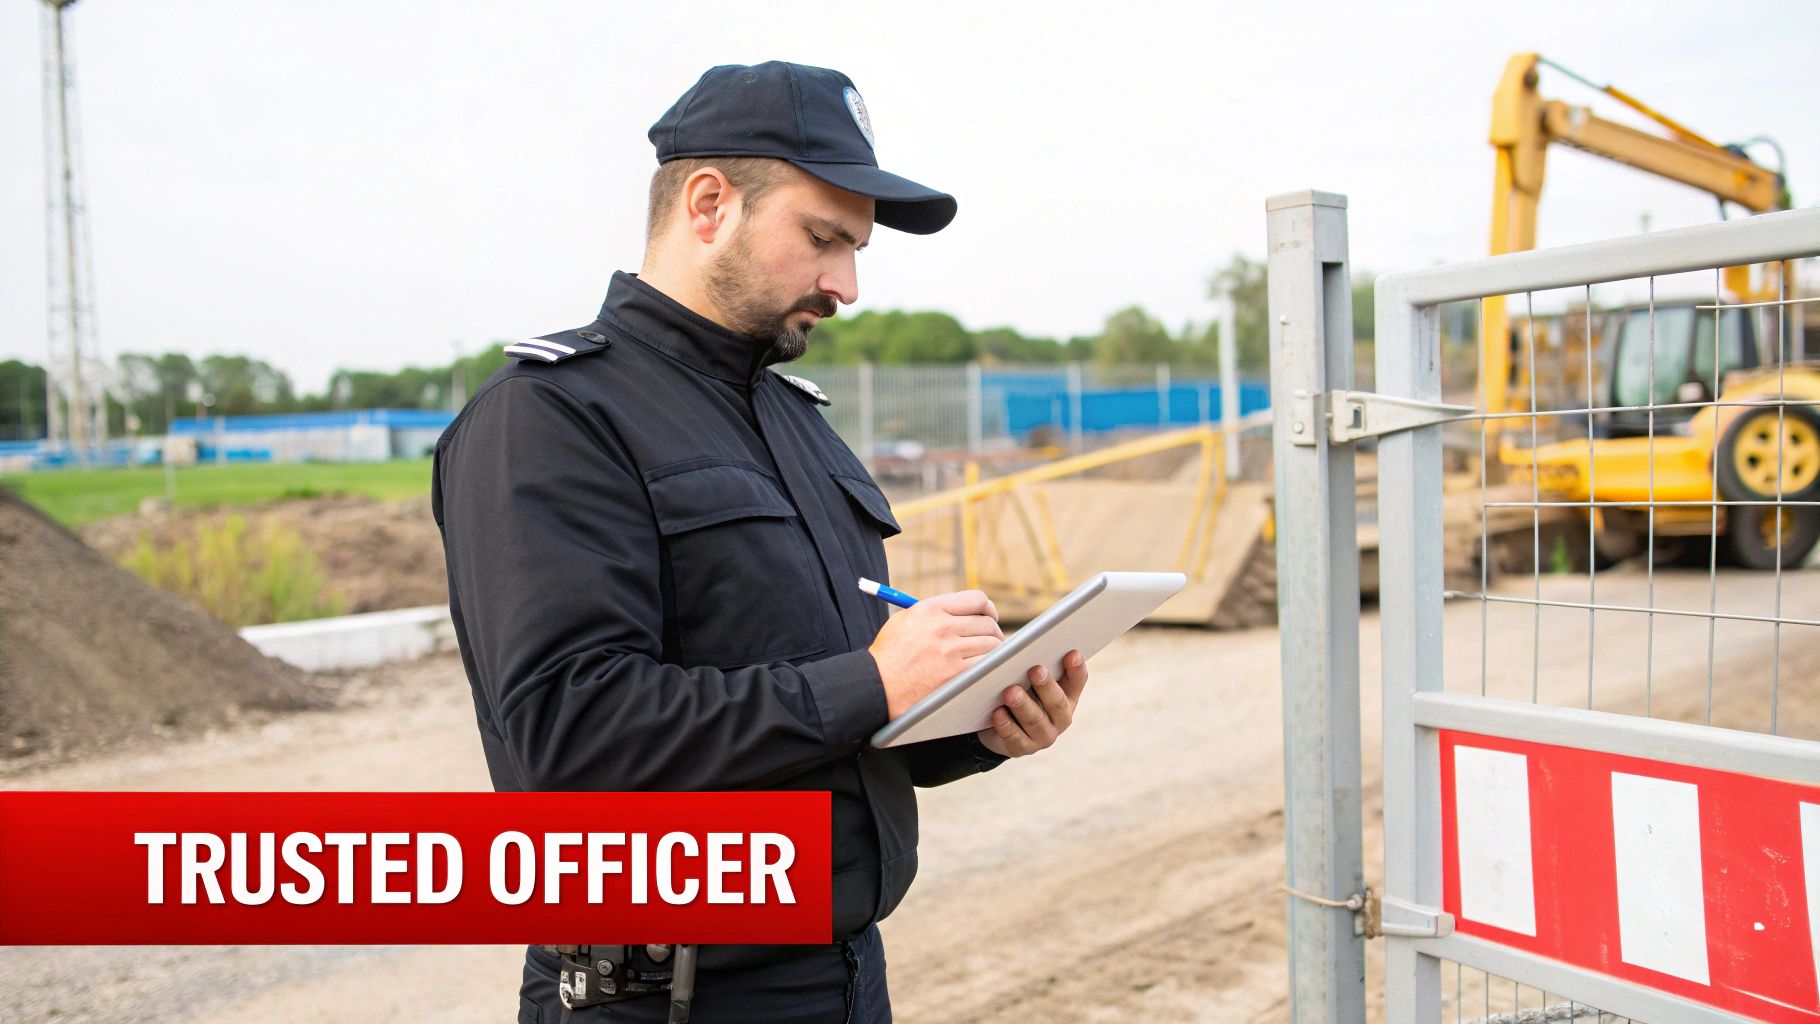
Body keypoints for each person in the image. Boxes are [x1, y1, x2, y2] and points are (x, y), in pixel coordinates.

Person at [431, 61, 1090, 1023]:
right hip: (664, 995)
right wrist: (873, 680)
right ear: (709, 205)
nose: (848, 285)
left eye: (856, 249)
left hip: (843, 975)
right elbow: (569, 740)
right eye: (824, 239)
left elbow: (816, 732)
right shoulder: (550, 419)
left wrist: (976, 723)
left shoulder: (795, 417)